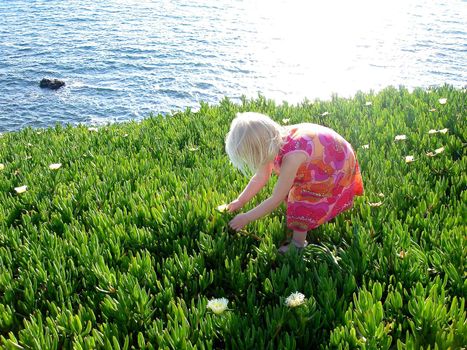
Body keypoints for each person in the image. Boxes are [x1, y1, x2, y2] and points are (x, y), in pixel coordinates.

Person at [225, 112, 364, 253]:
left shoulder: (291, 157)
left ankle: (298, 244)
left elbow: (276, 198)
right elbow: (261, 177)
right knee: (291, 188)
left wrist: (247, 218)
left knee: (300, 199)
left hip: (337, 163)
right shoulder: (271, 140)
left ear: (260, 150)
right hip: (326, 154)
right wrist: (240, 201)